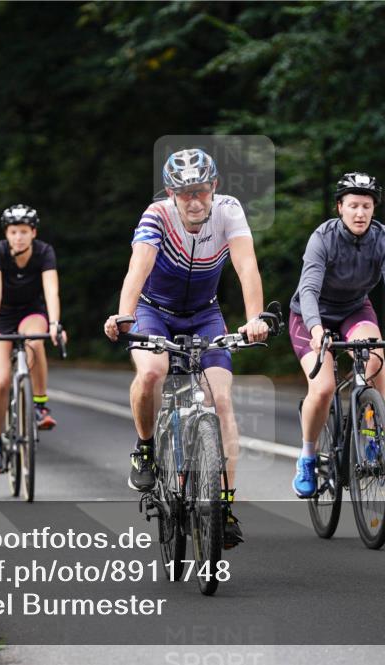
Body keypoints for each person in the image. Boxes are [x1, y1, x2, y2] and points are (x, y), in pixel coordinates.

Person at [103, 148, 270, 549]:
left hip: (204, 314)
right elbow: (137, 269)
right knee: (151, 373)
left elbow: (246, 265)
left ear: (214, 187)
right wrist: (125, 316)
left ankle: (223, 506)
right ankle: (145, 450)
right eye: (184, 193)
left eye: (200, 191)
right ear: (170, 193)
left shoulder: (229, 211)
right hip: (153, 312)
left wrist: (255, 319)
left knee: (222, 401)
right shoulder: (156, 216)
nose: (194, 201)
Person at [288, 172, 385, 498]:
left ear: (374, 209)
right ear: (340, 208)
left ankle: (372, 435)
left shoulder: (384, 239)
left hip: (353, 310)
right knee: (324, 387)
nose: (360, 213)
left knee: (375, 360)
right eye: (353, 205)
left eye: (367, 206)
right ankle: (307, 456)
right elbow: (309, 288)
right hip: (310, 315)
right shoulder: (324, 237)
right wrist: (316, 329)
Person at [0, 205, 67, 474]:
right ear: (7, 233)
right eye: (14, 232)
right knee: (2, 380)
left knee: (35, 340)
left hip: (31, 312)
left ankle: (39, 405)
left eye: (24, 232)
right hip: (1, 315)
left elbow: (51, 291)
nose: (19, 237)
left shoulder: (44, 252)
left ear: (33, 233)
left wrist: (54, 324)